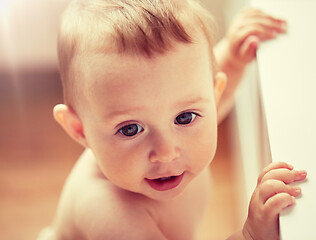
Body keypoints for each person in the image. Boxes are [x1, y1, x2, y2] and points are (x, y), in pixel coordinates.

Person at [38, 0, 306, 239]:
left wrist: (234, 59)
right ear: (79, 129)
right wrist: (250, 235)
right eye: (131, 129)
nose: (166, 153)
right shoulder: (112, 217)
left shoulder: (184, 114)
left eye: (184, 117)